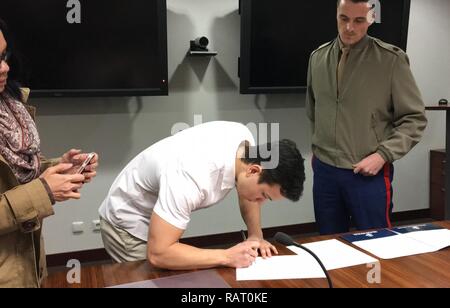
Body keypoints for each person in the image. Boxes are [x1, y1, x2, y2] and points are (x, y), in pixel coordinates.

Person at [99, 121, 305, 270]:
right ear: (254, 170)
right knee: (152, 281)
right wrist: (226, 256)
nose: (260, 202)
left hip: (158, 208)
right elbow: (158, 254)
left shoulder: (246, 145)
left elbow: (247, 193)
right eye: (264, 196)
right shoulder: (192, 175)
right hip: (128, 221)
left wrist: (255, 235)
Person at [306, 0, 427, 235]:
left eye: (359, 20)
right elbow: (313, 109)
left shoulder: (391, 60)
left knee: (377, 244)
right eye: (344, 18)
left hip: (367, 172)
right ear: (337, 16)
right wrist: (319, 150)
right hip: (326, 172)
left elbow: (414, 119)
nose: (349, 27)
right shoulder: (317, 58)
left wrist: (383, 155)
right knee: (330, 243)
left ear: (371, 19)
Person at [0, 19, 99, 287]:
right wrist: (44, 191)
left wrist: (56, 167)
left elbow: (12, 176)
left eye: (3, 55)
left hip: (26, 267)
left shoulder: (12, 106)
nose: (5, 67)